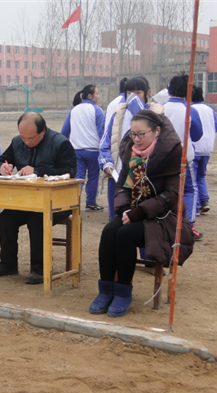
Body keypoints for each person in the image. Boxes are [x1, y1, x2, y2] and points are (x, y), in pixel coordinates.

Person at [89, 110, 194, 317]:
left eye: (141, 134)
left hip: (163, 217)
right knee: (109, 231)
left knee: (125, 235)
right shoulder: (131, 150)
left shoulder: (173, 153)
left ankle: (123, 292)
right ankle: (106, 290)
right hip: (134, 211)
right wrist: (124, 208)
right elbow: (122, 186)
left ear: (156, 131)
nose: (136, 139)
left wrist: (140, 212)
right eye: (133, 134)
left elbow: (172, 195)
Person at [0, 112, 77, 285]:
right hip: (28, 200)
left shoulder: (61, 143)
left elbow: (70, 171)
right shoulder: (17, 142)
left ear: (42, 132)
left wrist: (38, 170)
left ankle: (40, 269)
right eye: (23, 137)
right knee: (6, 217)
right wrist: (1, 168)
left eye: (31, 138)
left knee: (37, 219)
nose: (26, 142)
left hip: (59, 201)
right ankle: (8, 264)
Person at [99, 77, 162, 221]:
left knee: (143, 222)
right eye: (129, 93)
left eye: (138, 92)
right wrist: (107, 164)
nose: (133, 96)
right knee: (116, 220)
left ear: (148, 93)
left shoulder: (156, 113)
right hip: (119, 177)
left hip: (145, 178)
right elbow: (105, 143)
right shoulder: (118, 113)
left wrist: (137, 108)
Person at [163, 74, 204, 240]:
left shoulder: (160, 108)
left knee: (164, 192)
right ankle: (188, 226)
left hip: (162, 159)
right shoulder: (189, 109)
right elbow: (197, 134)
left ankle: (165, 224)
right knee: (189, 190)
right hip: (183, 159)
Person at [61, 84, 105, 211]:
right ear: (90, 96)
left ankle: (72, 203)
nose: (98, 96)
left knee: (78, 177)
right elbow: (102, 131)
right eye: (97, 93)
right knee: (93, 177)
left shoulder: (74, 110)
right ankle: (91, 202)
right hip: (93, 150)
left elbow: (64, 131)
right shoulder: (97, 110)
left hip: (76, 150)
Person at [191, 86, 216, 216]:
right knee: (201, 175)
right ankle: (204, 201)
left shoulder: (191, 109)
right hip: (208, 148)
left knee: (192, 179)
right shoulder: (210, 109)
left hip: (195, 147)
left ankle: (195, 206)